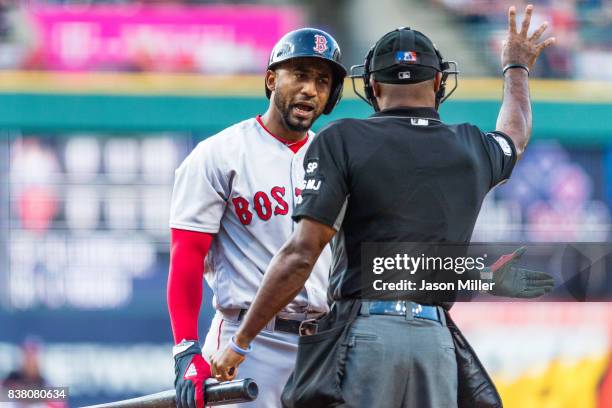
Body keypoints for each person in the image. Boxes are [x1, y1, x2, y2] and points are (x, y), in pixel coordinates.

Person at [211, 4, 556, 408]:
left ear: (372, 86)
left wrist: (241, 339)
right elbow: (515, 133)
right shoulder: (471, 146)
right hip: (437, 341)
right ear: (440, 81)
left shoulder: (342, 139)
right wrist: (516, 68)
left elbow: (302, 254)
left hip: (367, 335)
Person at [167, 28, 347, 408]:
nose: (310, 90)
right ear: (271, 79)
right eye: (298, 74)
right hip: (246, 345)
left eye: (321, 80)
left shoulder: (337, 158)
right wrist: (186, 349)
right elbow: (187, 253)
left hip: (322, 343)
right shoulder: (219, 153)